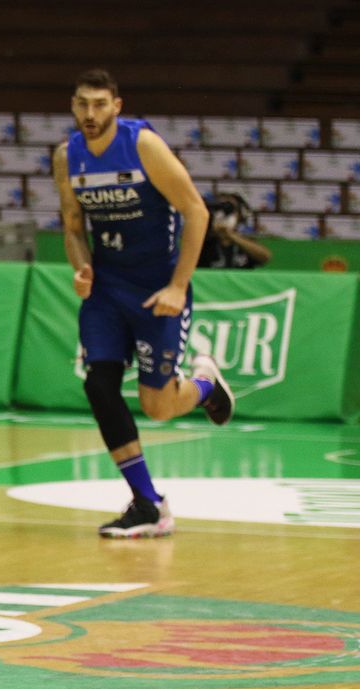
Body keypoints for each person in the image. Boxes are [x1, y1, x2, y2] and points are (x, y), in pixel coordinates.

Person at [52, 69, 235, 538]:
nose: (89, 115)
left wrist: (178, 286)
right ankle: (148, 502)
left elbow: (197, 210)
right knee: (99, 386)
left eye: (98, 104)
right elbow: (73, 226)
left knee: (157, 405)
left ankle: (206, 387)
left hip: (157, 287)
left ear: (116, 105)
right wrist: (82, 267)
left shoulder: (143, 145)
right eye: (81, 105)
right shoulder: (66, 156)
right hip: (108, 289)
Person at [198, 192, 272, 269]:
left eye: (230, 209)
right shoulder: (204, 242)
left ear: (240, 215)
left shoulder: (245, 243)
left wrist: (231, 235)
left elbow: (265, 257)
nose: (223, 215)